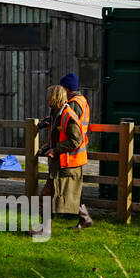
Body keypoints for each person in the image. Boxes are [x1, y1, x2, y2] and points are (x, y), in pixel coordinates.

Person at [43, 80, 94, 229]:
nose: (46, 99)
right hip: (64, 163)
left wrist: (55, 149)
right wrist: (49, 146)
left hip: (68, 163)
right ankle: (85, 219)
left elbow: (75, 140)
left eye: (48, 96)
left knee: (54, 196)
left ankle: (44, 229)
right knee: (65, 195)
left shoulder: (67, 115)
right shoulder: (58, 113)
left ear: (55, 98)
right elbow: (61, 135)